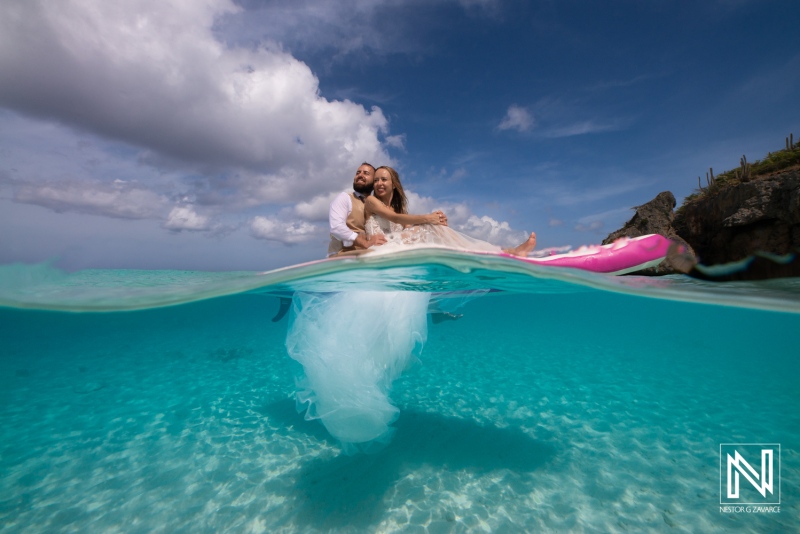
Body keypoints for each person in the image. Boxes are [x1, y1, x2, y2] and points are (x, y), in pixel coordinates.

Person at [364, 166, 538, 257]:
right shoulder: (371, 201)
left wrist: (437, 223)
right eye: (376, 180)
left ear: (393, 184)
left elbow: (408, 225)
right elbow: (394, 218)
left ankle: (502, 252)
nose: (379, 183)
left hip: (396, 249)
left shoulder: (400, 208)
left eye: (384, 179)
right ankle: (507, 252)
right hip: (381, 250)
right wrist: (429, 219)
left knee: (435, 229)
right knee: (430, 227)